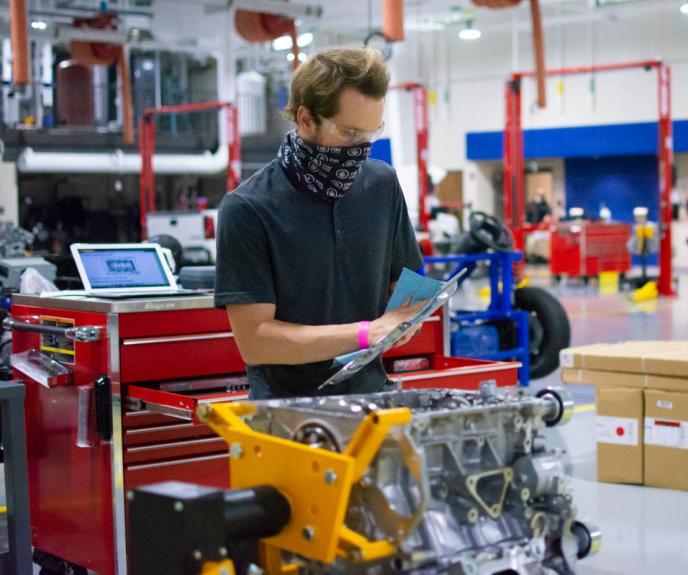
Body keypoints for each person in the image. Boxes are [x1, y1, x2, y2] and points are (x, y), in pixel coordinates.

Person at [214, 48, 425, 399]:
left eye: (371, 134)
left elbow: (408, 287)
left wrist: (406, 318)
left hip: (373, 397)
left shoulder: (382, 185)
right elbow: (256, 341)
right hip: (286, 415)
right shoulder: (248, 209)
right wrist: (365, 333)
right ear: (306, 119)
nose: (360, 148)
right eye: (348, 132)